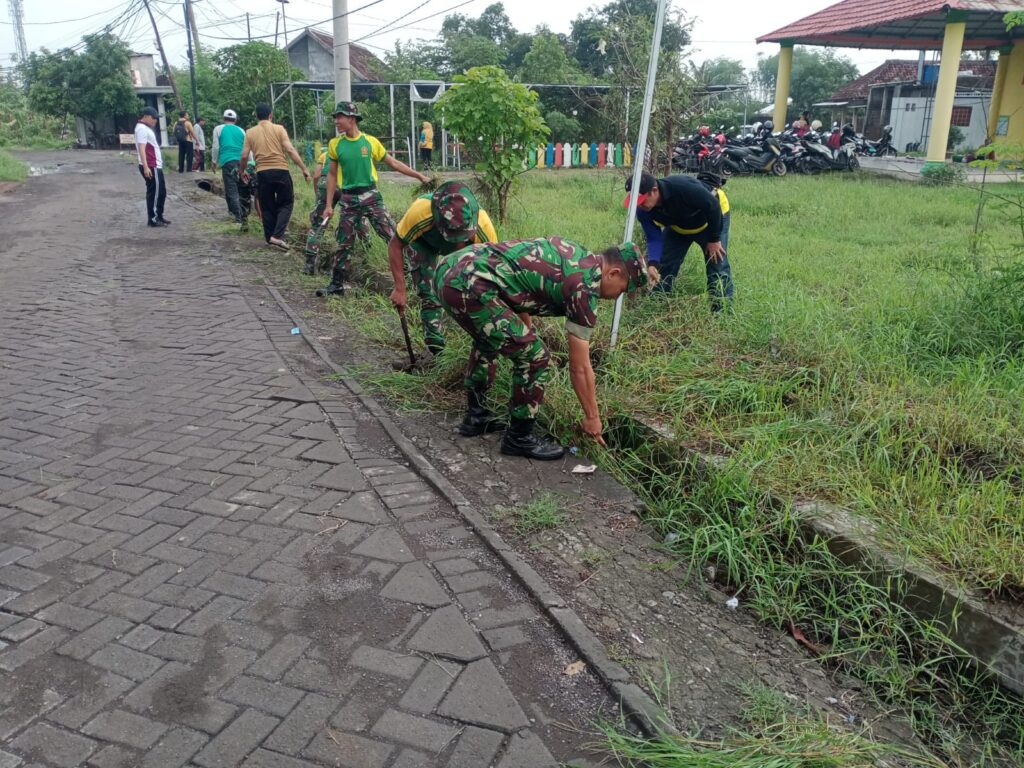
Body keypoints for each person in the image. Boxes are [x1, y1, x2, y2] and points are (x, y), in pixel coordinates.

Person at [435, 237, 647, 459]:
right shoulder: (585, 288)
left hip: (451, 268)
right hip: (467, 283)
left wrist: (524, 328)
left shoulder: (576, 255)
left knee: (490, 337)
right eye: (622, 290)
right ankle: (518, 438)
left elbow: (517, 280)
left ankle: (476, 417)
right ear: (612, 273)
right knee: (535, 356)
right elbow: (580, 368)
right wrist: (592, 417)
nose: (617, 297)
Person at [317, 102, 429, 296]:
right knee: (344, 242)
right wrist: (328, 205)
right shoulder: (335, 145)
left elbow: (392, 163)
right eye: (335, 117)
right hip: (349, 199)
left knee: (394, 235)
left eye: (340, 117)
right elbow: (332, 176)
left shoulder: (370, 142)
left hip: (372, 197)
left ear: (351, 119)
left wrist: (418, 175)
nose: (336, 121)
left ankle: (415, 277)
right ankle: (336, 284)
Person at [388, 181, 499, 360]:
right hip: (425, 244)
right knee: (429, 293)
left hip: (468, 253)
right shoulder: (420, 211)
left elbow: (493, 274)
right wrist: (400, 288)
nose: (457, 241)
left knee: (472, 295)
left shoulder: (483, 227)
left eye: (461, 236)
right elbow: (395, 245)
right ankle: (435, 351)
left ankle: (480, 349)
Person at [624, 171, 734, 312]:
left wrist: (714, 239)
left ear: (654, 191)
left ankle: (722, 312)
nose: (639, 205)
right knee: (663, 267)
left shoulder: (683, 187)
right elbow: (653, 237)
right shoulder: (642, 211)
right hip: (678, 226)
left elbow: (712, 206)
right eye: (635, 202)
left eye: (641, 201)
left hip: (712, 219)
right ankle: (657, 307)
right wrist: (652, 264)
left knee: (716, 264)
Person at [240, 102, 311, 250]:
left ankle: (270, 238)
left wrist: (242, 171)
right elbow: (290, 150)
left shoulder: (250, 132)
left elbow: (244, 156)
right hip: (280, 170)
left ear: (257, 116)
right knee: (286, 203)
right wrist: (304, 168)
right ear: (270, 115)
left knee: (267, 206)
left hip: (262, 173)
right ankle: (277, 236)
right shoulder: (279, 129)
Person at [135, 106, 169, 227]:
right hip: (151, 165)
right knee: (154, 192)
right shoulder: (142, 129)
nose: (155, 120)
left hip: (154, 165)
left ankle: (158, 215)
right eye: (154, 118)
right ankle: (153, 218)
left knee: (161, 192)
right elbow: (142, 148)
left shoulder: (145, 128)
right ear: (147, 117)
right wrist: (145, 166)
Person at [211, 108, 247, 224]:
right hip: (241, 162)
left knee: (231, 188)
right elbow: (247, 148)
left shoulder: (218, 129)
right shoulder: (241, 130)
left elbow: (216, 147)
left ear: (223, 119)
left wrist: (214, 161)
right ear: (235, 120)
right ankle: (239, 213)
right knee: (241, 188)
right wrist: (250, 163)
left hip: (228, 162)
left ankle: (238, 217)